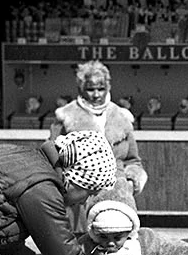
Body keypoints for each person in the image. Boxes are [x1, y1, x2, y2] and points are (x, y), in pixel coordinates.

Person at [48, 60, 147, 204]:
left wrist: (131, 183)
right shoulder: (66, 117)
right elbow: (51, 158)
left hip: (118, 195)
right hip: (80, 199)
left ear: (108, 87)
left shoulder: (122, 117)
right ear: (81, 88)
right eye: (90, 89)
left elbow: (133, 161)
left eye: (101, 89)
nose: (96, 95)